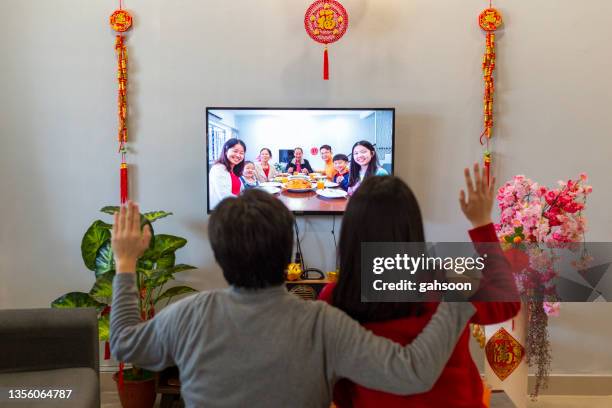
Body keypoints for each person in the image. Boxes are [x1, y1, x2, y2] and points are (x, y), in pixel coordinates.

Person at [110, 195, 479, 408]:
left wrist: (125, 263)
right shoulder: (321, 321)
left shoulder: (190, 315)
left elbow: (125, 342)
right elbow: (411, 372)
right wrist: (459, 297)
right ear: (288, 254)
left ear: (220, 257)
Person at [319, 164, 521, 408]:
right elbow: (507, 302)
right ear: (412, 229)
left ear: (350, 231)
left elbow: (338, 387)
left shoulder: (334, 297)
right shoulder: (450, 278)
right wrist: (482, 224)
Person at [208, 138, 246, 209]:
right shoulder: (219, 168)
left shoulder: (233, 170)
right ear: (226, 151)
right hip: (224, 211)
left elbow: (240, 191)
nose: (238, 155)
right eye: (235, 151)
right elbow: (224, 196)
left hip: (234, 208)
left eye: (241, 153)